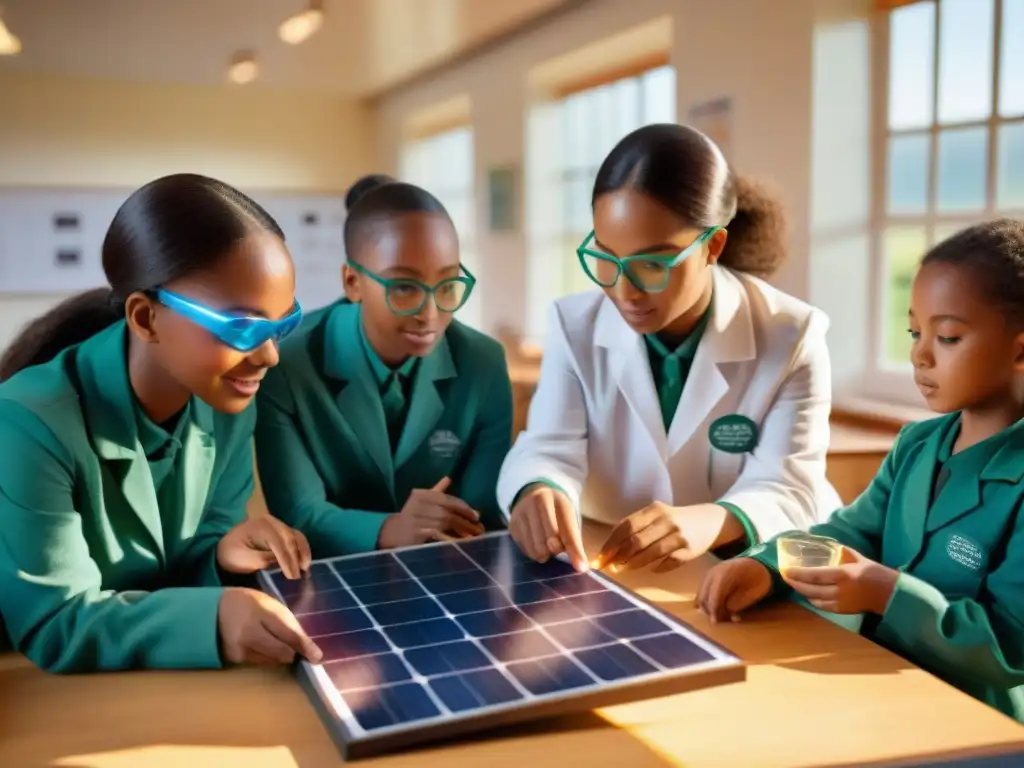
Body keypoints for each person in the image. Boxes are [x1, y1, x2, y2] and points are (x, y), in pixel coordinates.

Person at [699, 219, 1024, 722]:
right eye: (916, 332)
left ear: (1020, 349)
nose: (919, 354)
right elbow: (851, 531)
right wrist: (766, 563)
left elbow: (1009, 648)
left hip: (978, 722)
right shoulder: (917, 445)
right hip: (878, 691)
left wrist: (887, 592)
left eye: (948, 336)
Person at [0, 174, 324, 674]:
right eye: (242, 327)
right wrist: (215, 620)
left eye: (281, 324)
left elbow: (186, 555)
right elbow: (55, 622)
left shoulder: (229, 398)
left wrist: (221, 555)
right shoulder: (28, 421)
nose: (269, 356)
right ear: (146, 318)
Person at [497, 123, 841, 574]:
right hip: (616, 561)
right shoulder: (573, 324)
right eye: (606, 258)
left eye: (652, 264)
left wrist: (715, 519)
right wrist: (538, 487)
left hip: (744, 565)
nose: (624, 291)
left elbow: (791, 488)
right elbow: (548, 444)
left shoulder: (792, 335)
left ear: (713, 245)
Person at [254, 175, 513, 557]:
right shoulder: (286, 363)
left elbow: (481, 517)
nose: (430, 314)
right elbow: (299, 513)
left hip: (448, 570)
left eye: (447, 285)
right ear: (353, 282)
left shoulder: (484, 362)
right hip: (330, 579)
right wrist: (391, 528)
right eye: (405, 287)